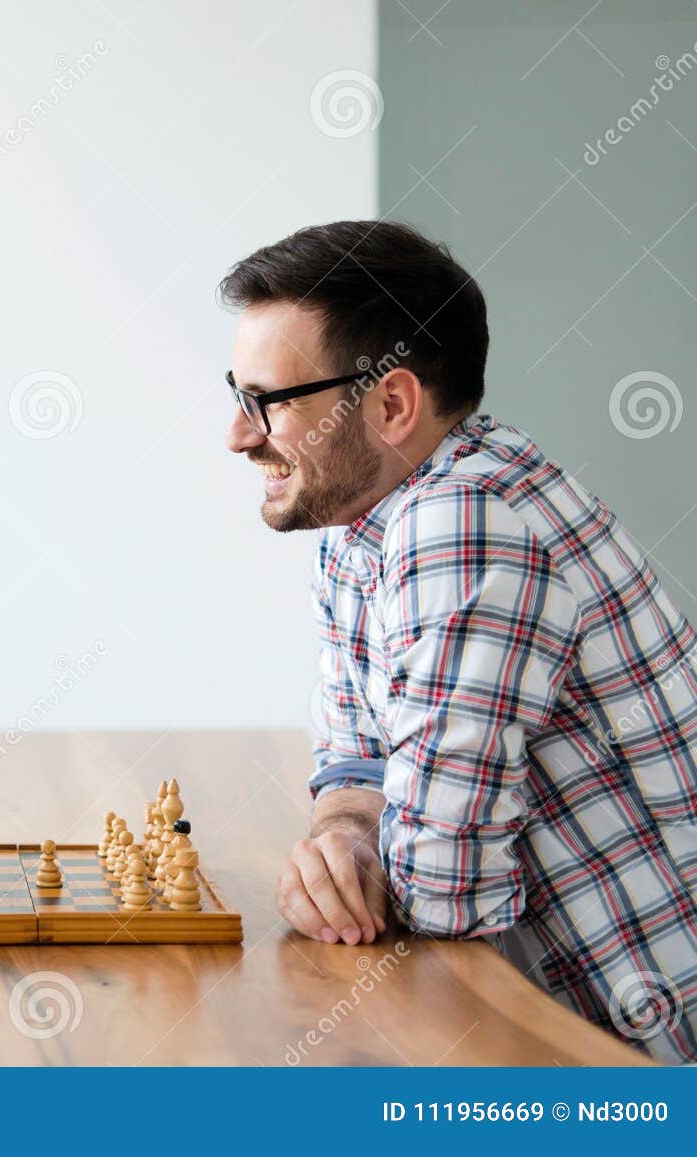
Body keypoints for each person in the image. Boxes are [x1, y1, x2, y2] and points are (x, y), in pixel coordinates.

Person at [221, 220, 697, 1063]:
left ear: (392, 405)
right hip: (544, 1021)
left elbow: (446, 892)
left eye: (270, 401)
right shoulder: (361, 516)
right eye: (238, 392)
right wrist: (344, 836)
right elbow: (356, 756)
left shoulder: (463, 520)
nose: (239, 434)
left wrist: (363, 871)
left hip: (647, 1063)